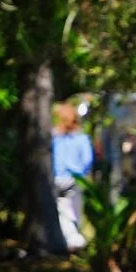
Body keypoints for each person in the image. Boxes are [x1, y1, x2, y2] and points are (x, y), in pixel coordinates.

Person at [51, 103, 94, 253]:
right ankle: (74, 241)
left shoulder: (54, 137)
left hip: (56, 178)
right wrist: (82, 173)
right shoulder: (81, 138)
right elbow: (88, 159)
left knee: (62, 211)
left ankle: (69, 240)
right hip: (75, 179)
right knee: (74, 211)